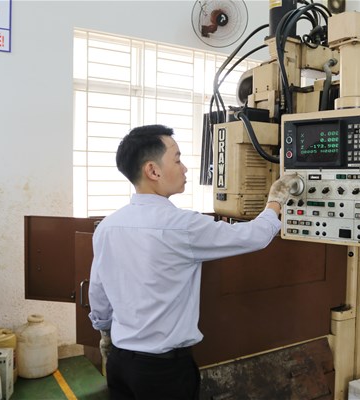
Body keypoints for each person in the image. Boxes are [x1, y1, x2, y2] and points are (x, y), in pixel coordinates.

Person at [88, 124, 298, 400]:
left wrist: (104, 333)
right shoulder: (182, 226)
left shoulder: (107, 226)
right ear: (153, 171)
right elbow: (254, 236)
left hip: (120, 363)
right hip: (164, 373)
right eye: (177, 160)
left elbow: (98, 291)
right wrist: (276, 200)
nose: (185, 168)